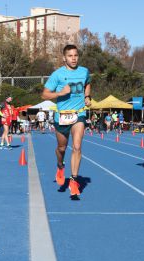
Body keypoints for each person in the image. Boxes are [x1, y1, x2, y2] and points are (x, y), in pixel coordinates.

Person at [41, 44, 91, 199]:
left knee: (77, 147)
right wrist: (60, 92)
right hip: (62, 116)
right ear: (64, 58)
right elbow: (44, 95)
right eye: (70, 56)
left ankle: (74, 180)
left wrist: (87, 96)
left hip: (79, 114)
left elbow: (87, 83)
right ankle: (60, 166)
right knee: (61, 148)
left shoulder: (84, 71)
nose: (73, 58)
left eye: (75, 55)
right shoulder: (57, 75)